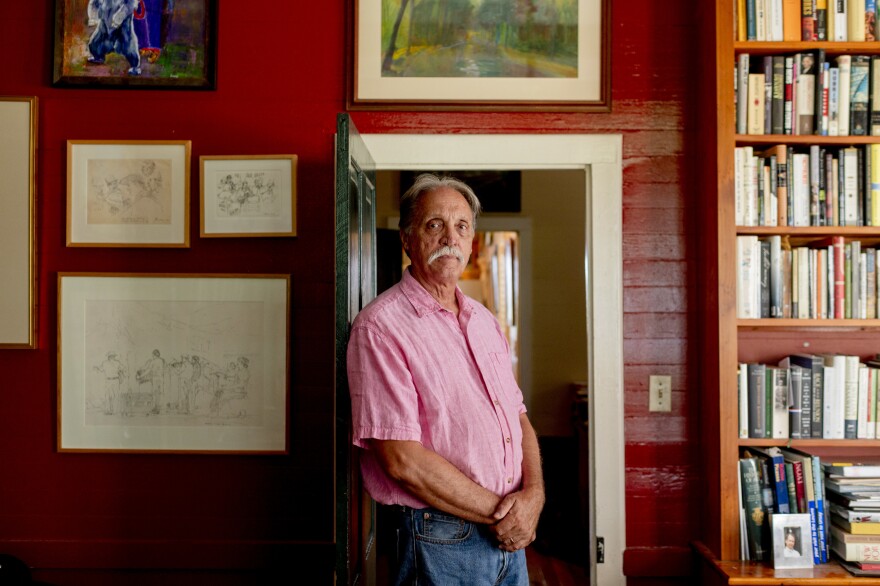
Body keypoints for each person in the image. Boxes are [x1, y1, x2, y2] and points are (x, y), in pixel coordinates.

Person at [347, 173, 545, 585]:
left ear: (472, 240)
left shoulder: (484, 320)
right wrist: (505, 514)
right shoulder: (381, 327)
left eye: (461, 226)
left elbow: (518, 416)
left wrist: (535, 495)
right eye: (433, 224)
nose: (449, 238)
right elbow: (401, 459)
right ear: (407, 239)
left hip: (511, 537)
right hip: (441, 540)